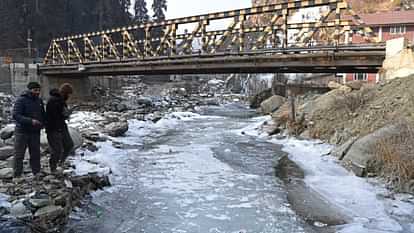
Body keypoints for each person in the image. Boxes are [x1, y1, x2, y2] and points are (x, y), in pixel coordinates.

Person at [12, 82, 46, 178]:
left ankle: (36, 172)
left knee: (35, 153)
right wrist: (30, 121)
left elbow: (43, 115)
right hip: (22, 132)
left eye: (39, 90)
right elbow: (16, 115)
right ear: (29, 90)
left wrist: (44, 123)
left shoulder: (39, 101)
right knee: (19, 154)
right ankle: (17, 175)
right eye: (35, 90)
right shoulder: (21, 100)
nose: (37, 92)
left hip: (35, 132)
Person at [46, 83, 74, 173]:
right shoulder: (53, 100)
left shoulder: (62, 101)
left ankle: (61, 163)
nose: (69, 96)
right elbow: (53, 115)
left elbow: (61, 114)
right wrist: (65, 114)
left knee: (69, 145)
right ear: (65, 92)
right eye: (69, 94)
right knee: (57, 150)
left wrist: (66, 114)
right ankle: (53, 168)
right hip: (53, 128)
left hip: (62, 126)